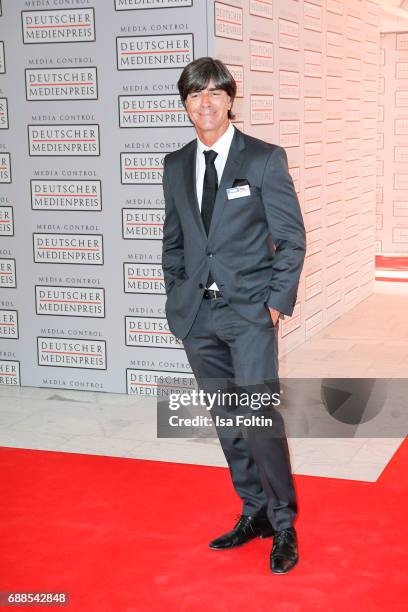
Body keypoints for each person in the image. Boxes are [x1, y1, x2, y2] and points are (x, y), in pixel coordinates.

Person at [161, 57, 306, 574]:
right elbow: (173, 241)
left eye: (214, 94)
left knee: (259, 418)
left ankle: (285, 523)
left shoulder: (264, 159)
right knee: (228, 422)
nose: (205, 104)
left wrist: (272, 302)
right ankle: (255, 511)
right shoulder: (175, 164)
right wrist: (178, 293)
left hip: (248, 316)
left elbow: (291, 238)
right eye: (194, 96)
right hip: (198, 317)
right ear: (185, 106)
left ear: (229, 99)